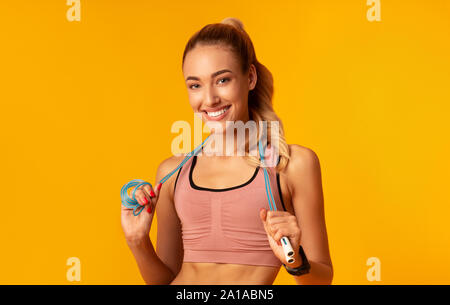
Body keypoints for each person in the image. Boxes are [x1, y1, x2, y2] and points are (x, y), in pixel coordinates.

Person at [120, 17, 333, 285]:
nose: (209, 99)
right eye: (195, 85)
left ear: (251, 78)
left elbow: (321, 280)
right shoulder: (173, 173)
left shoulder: (290, 165)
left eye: (222, 80)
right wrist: (137, 242)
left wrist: (295, 260)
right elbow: (165, 281)